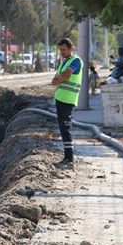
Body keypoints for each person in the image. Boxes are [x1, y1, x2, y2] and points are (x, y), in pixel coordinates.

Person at [51, 38, 84, 169]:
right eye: (60, 50)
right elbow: (56, 78)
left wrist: (58, 79)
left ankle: (69, 159)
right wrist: (57, 79)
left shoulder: (76, 61)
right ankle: (66, 157)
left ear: (71, 48)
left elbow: (65, 76)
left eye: (64, 50)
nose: (62, 52)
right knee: (63, 129)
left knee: (66, 128)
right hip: (61, 99)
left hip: (68, 100)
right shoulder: (64, 62)